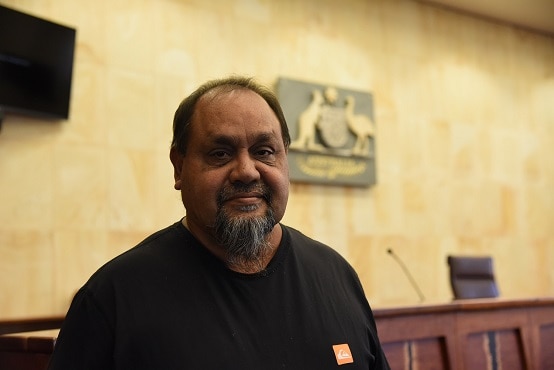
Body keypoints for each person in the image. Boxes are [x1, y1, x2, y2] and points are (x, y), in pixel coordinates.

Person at [47, 76, 390, 370]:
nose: (246, 171)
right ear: (179, 167)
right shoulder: (114, 297)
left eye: (265, 151)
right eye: (220, 153)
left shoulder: (336, 276)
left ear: (286, 160)